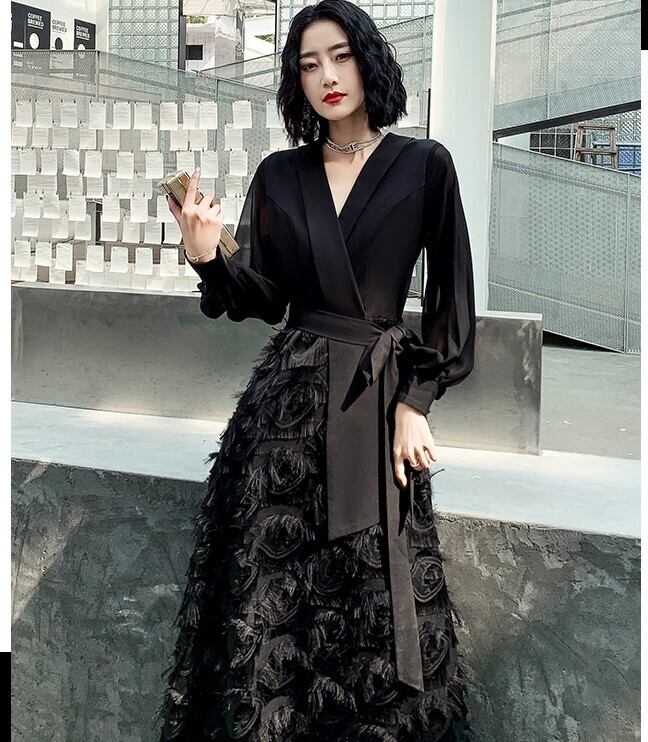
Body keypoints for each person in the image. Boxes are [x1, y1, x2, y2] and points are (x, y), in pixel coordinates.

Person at [156, 1, 477, 739]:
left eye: (340, 56)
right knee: (272, 611)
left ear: (368, 59)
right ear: (295, 81)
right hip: (282, 421)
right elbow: (264, 297)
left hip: (375, 408)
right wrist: (207, 255)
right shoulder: (280, 174)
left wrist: (417, 400)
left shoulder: (425, 165)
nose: (327, 76)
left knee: (374, 604)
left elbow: (452, 299)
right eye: (308, 65)